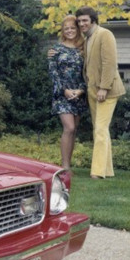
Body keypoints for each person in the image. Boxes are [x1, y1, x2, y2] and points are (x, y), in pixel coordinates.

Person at [76, 6, 126, 179]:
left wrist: (104, 88)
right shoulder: (87, 39)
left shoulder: (105, 34)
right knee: (101, 129)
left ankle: (97, 172)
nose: (81, 23)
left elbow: (109, 63)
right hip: (92, 89)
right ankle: (108, 170)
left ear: (93, 20)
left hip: (108, 90)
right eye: (79, 21)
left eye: (85, 20)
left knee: (100, 129)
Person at [48, 15, 87, 170]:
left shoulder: (83, 48)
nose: (70, 31)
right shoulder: (55, 50)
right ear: (62, 31)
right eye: (67, 28)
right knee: (68, 128)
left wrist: (81, 90)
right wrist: (64, 90)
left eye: (72, 28)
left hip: (79, 94)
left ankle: (68, 164)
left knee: (74, 130)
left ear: (77, 29)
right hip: (62, 95)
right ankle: (64, 167)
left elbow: (88, 72)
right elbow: (53, 73)